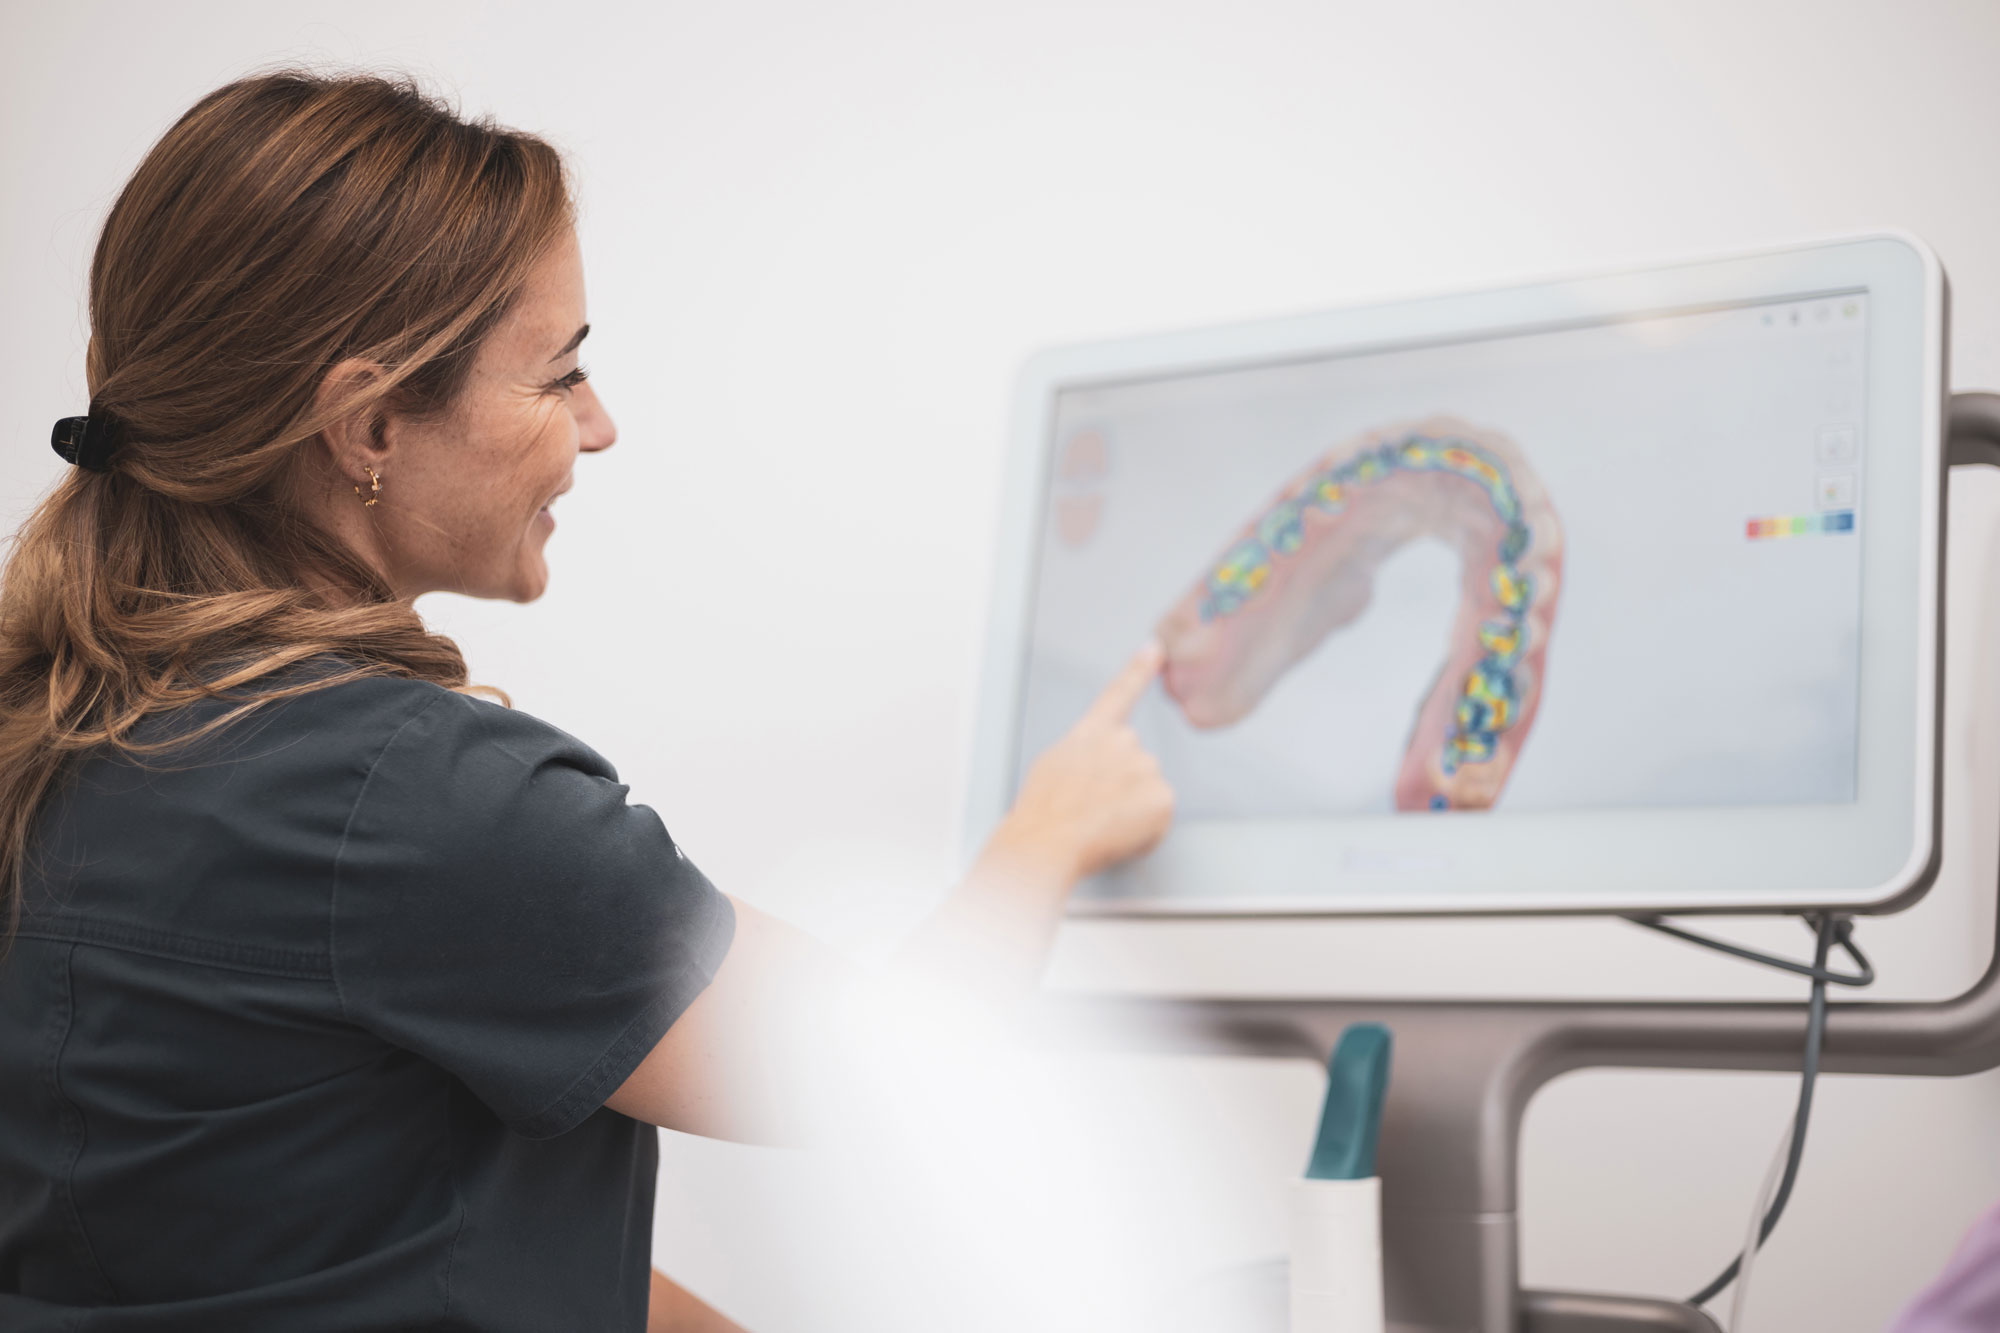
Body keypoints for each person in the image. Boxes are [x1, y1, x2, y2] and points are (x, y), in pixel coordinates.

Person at [0, 71, 1174, 1333]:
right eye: (558, 376)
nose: (598, 426)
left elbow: (386, 1246)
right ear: (369, 424)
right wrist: (1049, 833)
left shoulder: (63, 728)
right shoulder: (416, 800)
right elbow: (885, 1082)